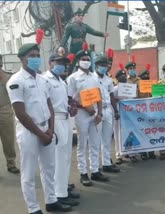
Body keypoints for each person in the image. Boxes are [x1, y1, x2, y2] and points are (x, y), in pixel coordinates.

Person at [7, 43, 71, 213]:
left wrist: (50, 129)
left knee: (49, 168)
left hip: (47, 129)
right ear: (22, 59)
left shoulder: (42, 80)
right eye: (31, 56)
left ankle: (51, 201)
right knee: (28, 173)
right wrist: (41, 134)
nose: (35, 58)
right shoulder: (16, 81)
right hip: (28, 132)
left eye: (37, 55)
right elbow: (20, 113)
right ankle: (33, 208)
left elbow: (48, 104)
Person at [67, 45, 109, 186]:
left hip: (95, 114)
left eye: (88, 59)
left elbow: (99, 96)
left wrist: (99, 113)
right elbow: (69, 99)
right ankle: (83, 173)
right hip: (81, 115)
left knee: (95, 143)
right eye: (83, 59)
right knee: (82, 144)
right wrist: (84, 107)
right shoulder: (73, 78)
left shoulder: (94, 77)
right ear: (78, 61)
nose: (86, 61)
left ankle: (95, 170)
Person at [44, 53, 80, 207]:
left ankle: (63, 188)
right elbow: (46, 103)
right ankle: (58, 194)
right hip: (55, 120)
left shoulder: (61, 81)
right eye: (58, 62)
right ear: (50, 63)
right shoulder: (45, 80)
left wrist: (70, 107)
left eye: (64, 63)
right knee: (58, 159)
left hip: (65, 118)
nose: (62, 65)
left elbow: (62, 101)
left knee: (65, 157)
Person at [58, 8, 109, 74]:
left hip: (83, 47)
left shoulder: (85, 26)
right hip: (74, 47)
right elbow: (65, 36)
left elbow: (93, 32)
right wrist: (61, 46)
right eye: (79, 15)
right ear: (75, 16)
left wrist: (102, 34)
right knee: (71, 64)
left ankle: (91, 74)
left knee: (88, 61)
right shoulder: (70, 26)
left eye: (82, 15)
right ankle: (68, 76)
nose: (81, 17)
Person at [93, 54, 120, 173]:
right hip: (96, 110)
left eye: (105, 65)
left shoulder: (108, 79)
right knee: (95, 140)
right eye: (101, 65)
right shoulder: (91, 78)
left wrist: (116, 110)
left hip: (108, 109)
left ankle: (107, 163)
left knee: (107, 138)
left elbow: (111, 95)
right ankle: (95, 167)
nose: (104, 67)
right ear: (96, 66)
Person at [0, 54, 20, 174]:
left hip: (5, 109)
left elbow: (14, 91)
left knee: (8, 139)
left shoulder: (8, 76)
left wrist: (3, 78)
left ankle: (11, 163)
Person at [138, 64, 156, 160]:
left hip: (151, 112)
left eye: (147, 75)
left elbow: (156, 96)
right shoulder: (138, 86)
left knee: (151, 132)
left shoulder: (153, 85)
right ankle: (143, 152)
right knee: (142, 132)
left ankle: (151, 151)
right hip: (141, 112)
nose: (146, 77)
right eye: (144, 75)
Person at [113, 65, 131, 165]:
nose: (123, 77)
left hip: (129, 114)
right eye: (121, 76)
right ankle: (119, 154)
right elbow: (112, 100)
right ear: (117, 78)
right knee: (118, 134)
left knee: (129, 133)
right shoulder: (115, 89)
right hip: (119, 114)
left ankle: (129, 152)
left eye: (124, 76)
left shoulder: (130, 88)